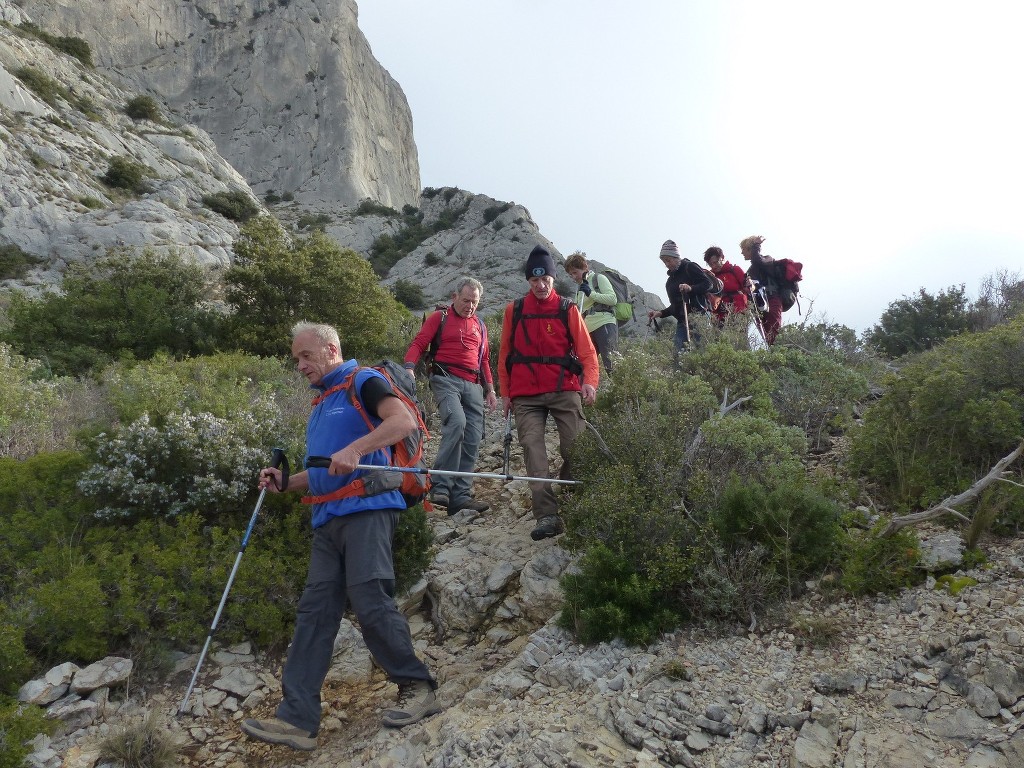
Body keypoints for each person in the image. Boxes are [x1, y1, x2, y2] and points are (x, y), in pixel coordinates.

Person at [241, 322, 440, 752]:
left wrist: (357, 449)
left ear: (331, 349)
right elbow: (321, 471)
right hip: (327, 519)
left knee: (370, 598)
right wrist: (284, 483)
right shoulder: (322, 402)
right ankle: (296, 720)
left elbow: (401, 421)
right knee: (314, 612)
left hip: (367, 510)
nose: (300, 365)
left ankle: (418, 687)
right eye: (297, 358)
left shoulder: (362, 380)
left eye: (305, 356)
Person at [497, 245, 599, 541]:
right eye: (534, 281)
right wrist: (506, 394)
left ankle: (572, 495)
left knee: (575, 447)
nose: (540, 286)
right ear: (528, 281)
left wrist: (590, 381)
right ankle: (547, 515)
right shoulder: (513, 311)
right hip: (525, 395)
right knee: (532, 448)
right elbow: (505, 355)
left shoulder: (567, 309)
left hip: (564, 388)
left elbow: (587, 352)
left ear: (554, 280)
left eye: (546, 281)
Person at [403, 277, 497, 514]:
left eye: (474, 302)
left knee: (474, 436)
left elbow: (484, 360)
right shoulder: (440, 318)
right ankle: (440, 486)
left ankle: (461, 496)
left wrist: (491, 389)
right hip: (445, 378)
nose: (470, 306)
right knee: (457, 422)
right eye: (466, 300)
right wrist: (408, 368)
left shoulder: (480, 326)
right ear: (454, 297)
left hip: (473, 384)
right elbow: (420, 342)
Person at [646, 239, 716, 353]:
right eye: (664, 262)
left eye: (668, 260)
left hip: (700, 315)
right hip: (683, 321)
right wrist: (661, 313)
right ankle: (684, 371)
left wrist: (690, 288)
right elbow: (675, 306)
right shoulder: (669, 283)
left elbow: (708, 284)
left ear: (676, 257)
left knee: (703, 348)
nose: (667, 264)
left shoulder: (690, 267)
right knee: (679, 352)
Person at [564, 251, 618, 374]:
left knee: (611, 363)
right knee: (585, 364)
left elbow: (612, 299)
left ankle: (623, 391)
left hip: (604, 323)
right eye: (571, 274)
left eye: (575, 272)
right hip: (588, 329)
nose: (573, 277)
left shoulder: (598, 278)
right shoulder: (580, 288)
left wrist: (591, 293)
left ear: (584, 267)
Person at [740, 235, 782, 344]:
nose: (742, 253)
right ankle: (769, 354)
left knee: (773, 329)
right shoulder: (750, 270)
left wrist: (756, 245)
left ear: (750, 249)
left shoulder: (767, 260)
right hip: (760, 303)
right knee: (763, 331)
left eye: (743, 249)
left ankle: (776, 352)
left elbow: (758, 261)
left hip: (772, 298)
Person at [703, 246, 749, 326]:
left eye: (715, 262)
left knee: (738, 337)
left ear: (722, 257)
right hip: (719, 316)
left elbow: (748, 288)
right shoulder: (710, 276)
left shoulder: (735, 270)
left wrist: (751, 285)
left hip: (738, 312)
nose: (713, 266)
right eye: (710, 264)